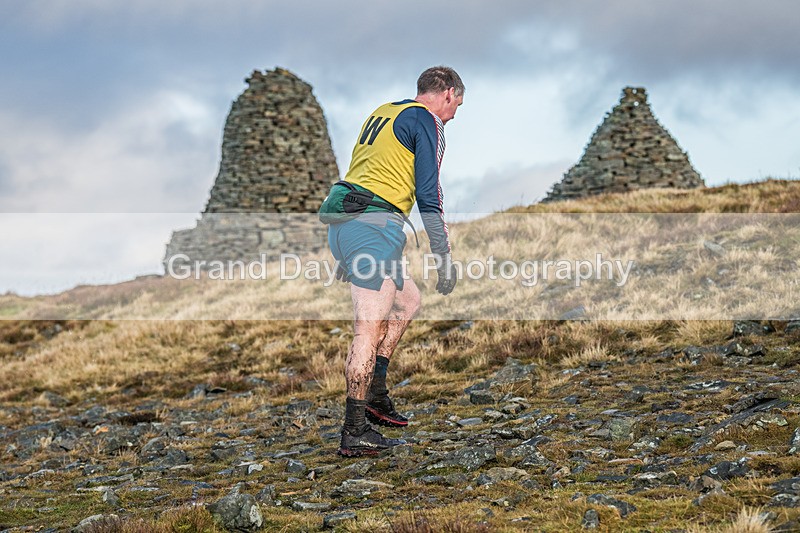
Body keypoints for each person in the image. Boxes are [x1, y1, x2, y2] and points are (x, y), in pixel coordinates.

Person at [323, 66, 464, 457]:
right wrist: (443, 256)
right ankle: (354, 431)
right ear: (448, 94)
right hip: (372, 227)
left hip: (346, 222)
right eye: (458, 106)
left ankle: (376, 393)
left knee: (407, 301)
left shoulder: (382, 112)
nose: (454, 115)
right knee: (367, 330)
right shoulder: (429, 121)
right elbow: (429, 194)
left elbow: (368, 172)